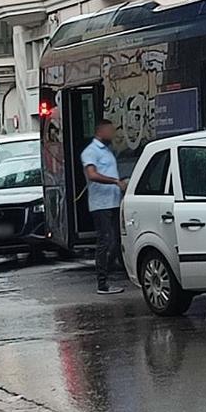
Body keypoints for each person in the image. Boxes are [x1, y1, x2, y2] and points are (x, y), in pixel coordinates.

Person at [81, 119, 126, 295]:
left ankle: (109, 276)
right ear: (101, 131)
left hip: (113, 202)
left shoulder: (106, 151)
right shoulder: (90, 152)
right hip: (101, 205)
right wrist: (115, 181)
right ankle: (102, 283)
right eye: (110, 130)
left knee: (115, 241)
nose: (112, 134)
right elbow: (91, 175)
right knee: (105, 242)